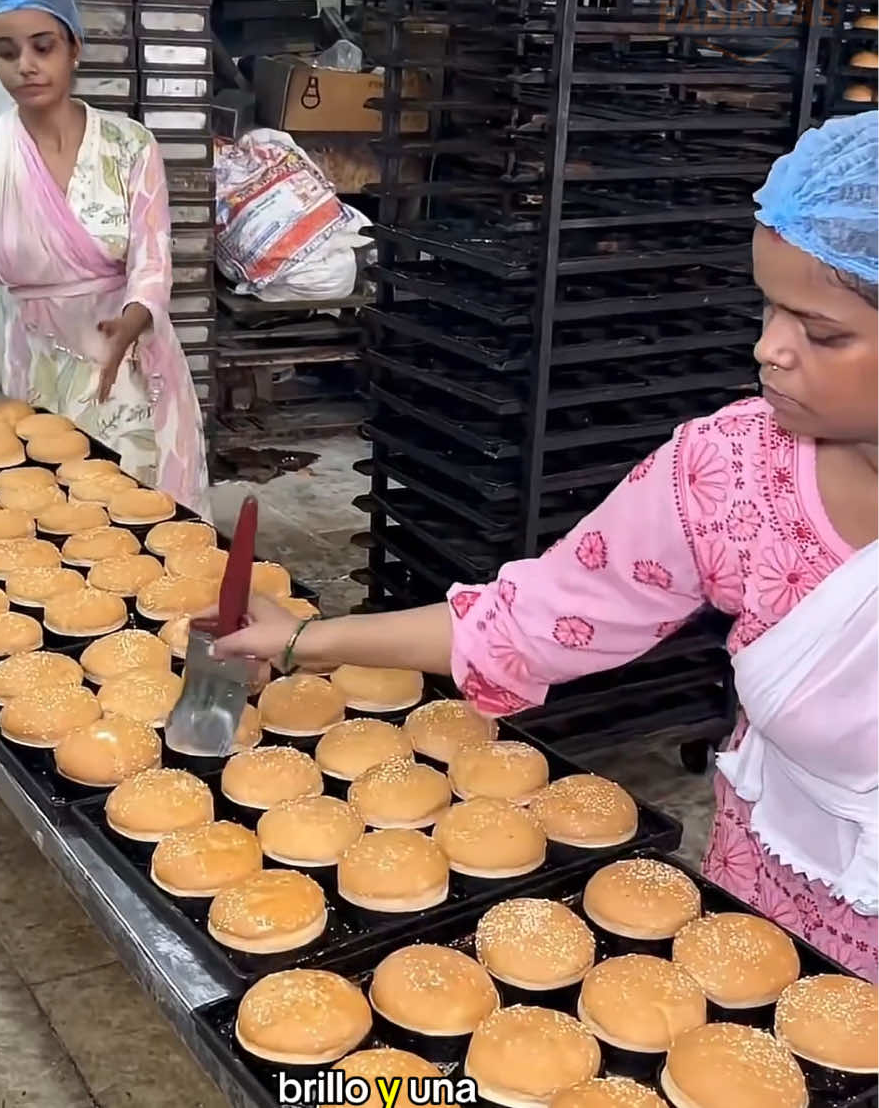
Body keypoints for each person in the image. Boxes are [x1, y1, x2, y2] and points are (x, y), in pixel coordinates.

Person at [219, 112, 879, 979]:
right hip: (767, 915)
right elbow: (533, 617)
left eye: (821, 332)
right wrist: (305, 639)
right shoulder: (734, 470)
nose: (767, 348)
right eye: (766, 307)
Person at [0, 0, 209, 513]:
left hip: (128, 361)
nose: (26, 65)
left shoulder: (130, 146)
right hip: (37, 364)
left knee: (145, 517)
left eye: (43, 46)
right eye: (6, 51)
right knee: (54, 517)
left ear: (74, 47)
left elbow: (153, 260)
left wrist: (132, 322)